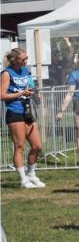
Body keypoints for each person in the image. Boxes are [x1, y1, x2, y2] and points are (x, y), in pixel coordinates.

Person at [1, 48, 45, 188]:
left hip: (28, 111)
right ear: (15, 60)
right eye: (24, 58)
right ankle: (23, 179)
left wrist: (35, 92)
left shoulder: (26, 71)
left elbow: (31, 86)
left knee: (37, 146)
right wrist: (21, 93)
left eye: (27, 57)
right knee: (19, 146)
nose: (26, 60)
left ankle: (31, 175)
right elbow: (2, 95)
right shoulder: (7, 73)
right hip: (15, 112)